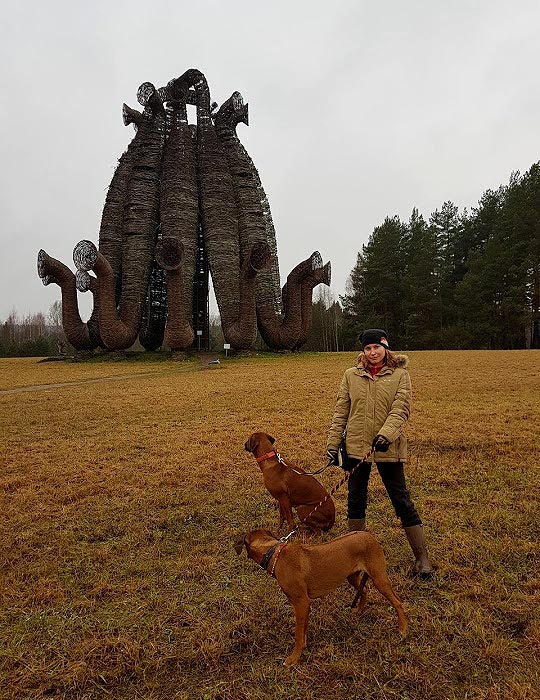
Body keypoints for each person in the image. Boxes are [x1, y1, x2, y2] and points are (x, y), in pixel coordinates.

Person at [326, 328, 433, 578]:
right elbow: (341, 410)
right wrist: (333, 444)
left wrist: (386, 434)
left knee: (401, 500)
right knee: (355, 500)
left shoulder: (400, 375)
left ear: (386, 348)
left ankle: (422, 559)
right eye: (367, 348)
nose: (372, 352)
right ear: (362, 351)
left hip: (388, 445)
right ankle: (354, 558)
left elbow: (401, 409)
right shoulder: (350, 375)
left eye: (376, 347)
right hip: (355, 447)